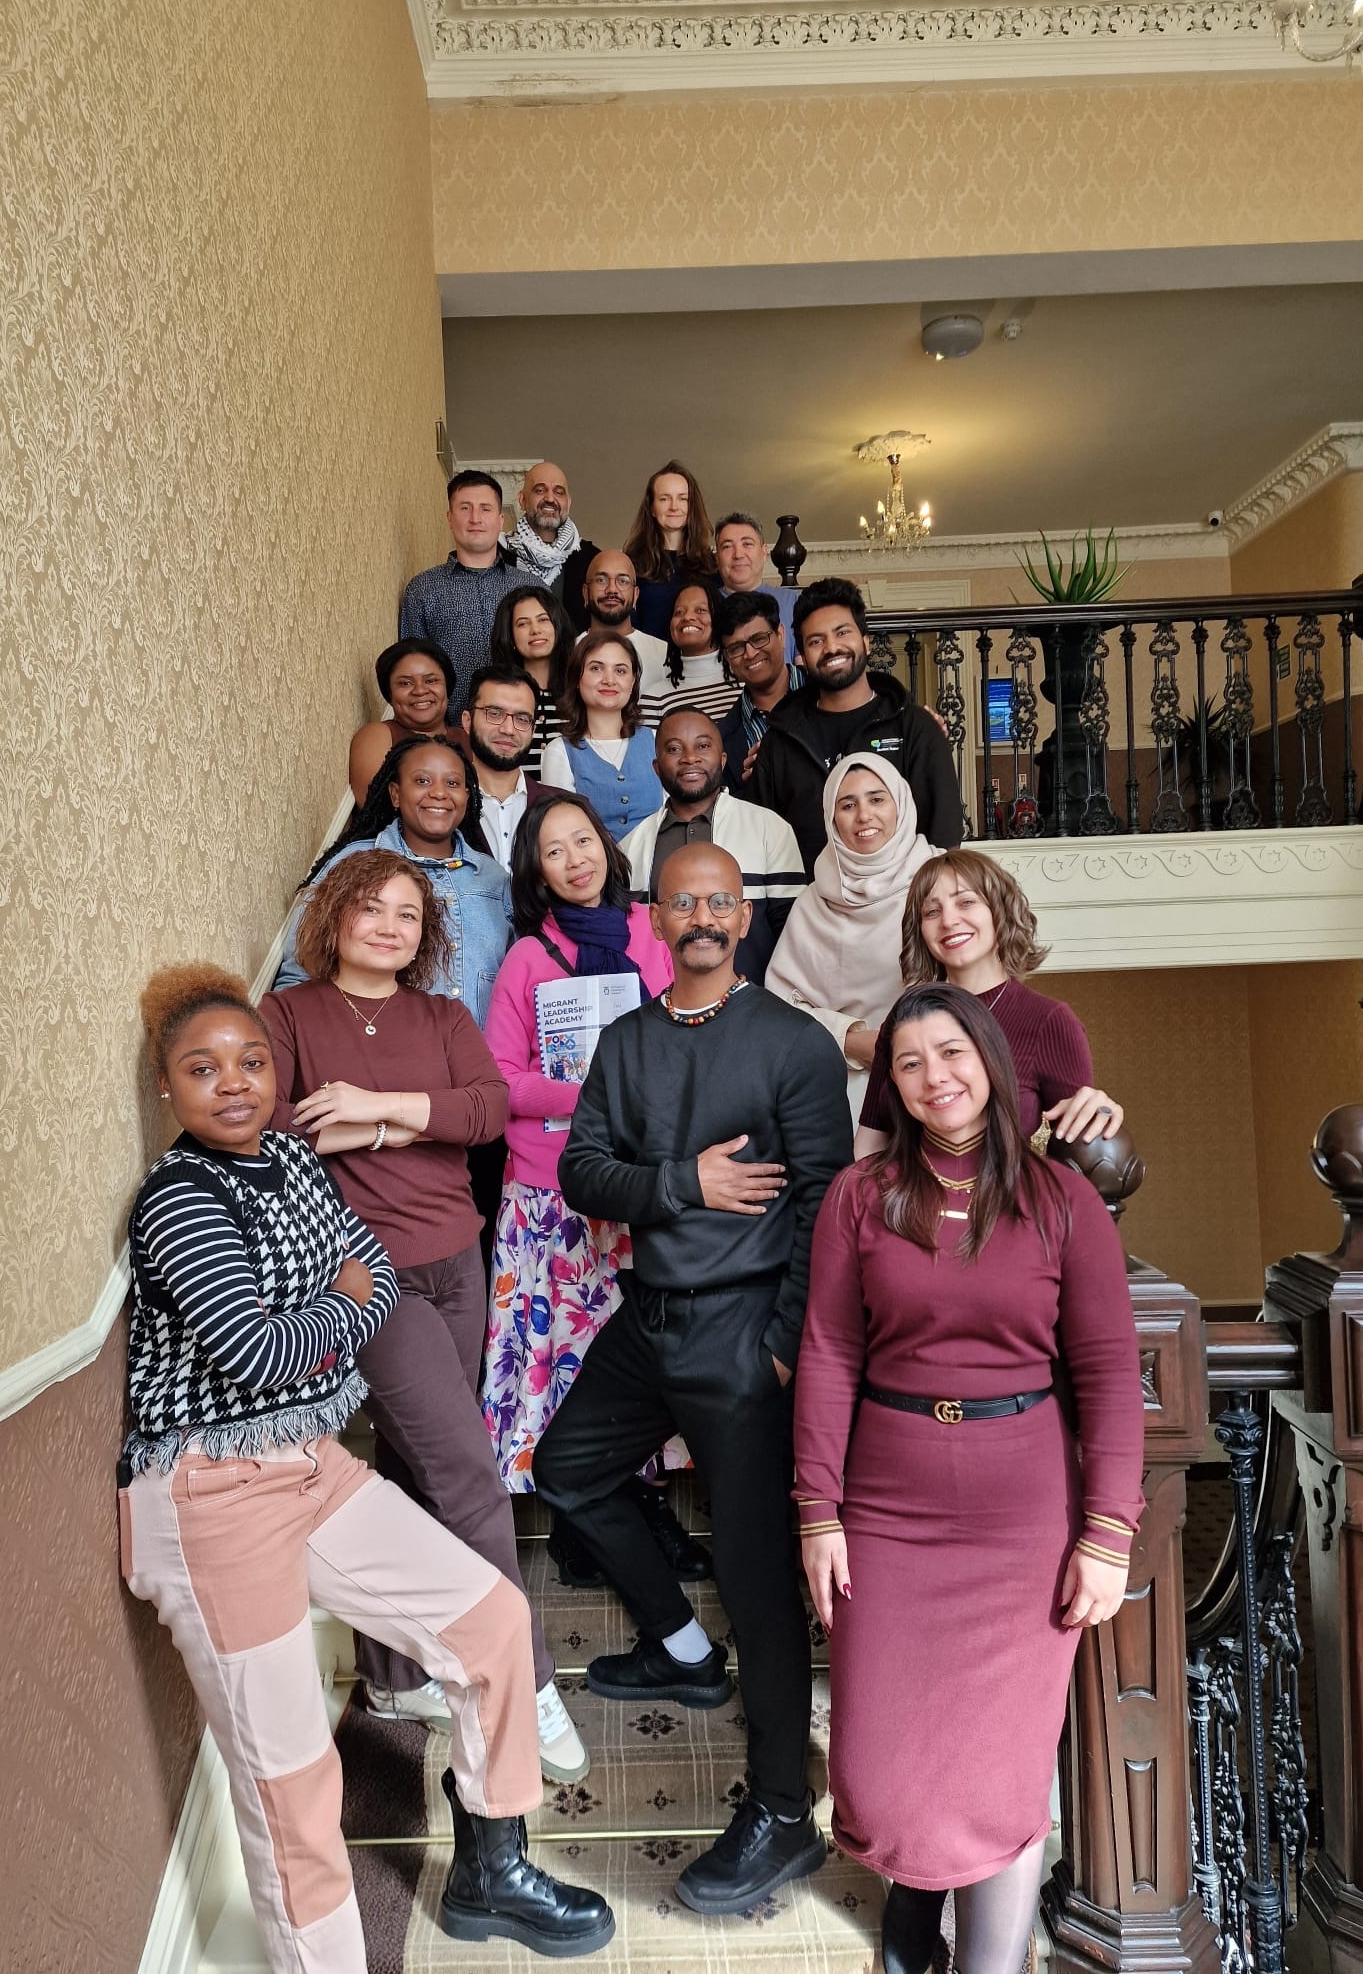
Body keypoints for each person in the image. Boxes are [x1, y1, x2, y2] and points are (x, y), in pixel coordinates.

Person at [121, 964, 613, 1967]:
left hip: (307, 1463)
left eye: (252, 1059)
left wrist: (330, 1309)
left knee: (491, 1621)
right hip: (213, 1497)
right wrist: (338, 1308)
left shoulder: (293, 1161)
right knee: (294, 1784)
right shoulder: (178, 1199)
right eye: (202, 1066)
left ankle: (491, 1863)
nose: (235, 1081)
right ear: (167, 1088)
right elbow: (258, 1350)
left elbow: (377, 1272)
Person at [794, 983, 1144, 1974]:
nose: (934, 1076)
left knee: (1001, 1775)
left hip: (1021, 1516)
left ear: (989, 1058)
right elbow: (826, 1353)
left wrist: (1108, 1528)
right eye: (908, 1063)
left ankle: (989, 1961)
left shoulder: (1061, 1199)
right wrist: (818, 1512)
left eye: (950, 1052)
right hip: (889, 1508)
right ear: (892, 1086)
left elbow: (1111, 1374)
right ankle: (917, 1925)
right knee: (879, 1768)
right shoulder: (859, 1197)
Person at [533, 843, 852, 1916]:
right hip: (649, 1319)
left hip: (743, 1336)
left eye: (723, 899)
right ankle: (678, 1643)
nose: (706, 915)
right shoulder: (625, 1041)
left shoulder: (796, 1045)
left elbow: (826, 1204)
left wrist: (781, 1335)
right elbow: (583, 1171)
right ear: (655, 918)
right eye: (686, 900)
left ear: (741, 917)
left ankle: (781, 1809)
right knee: (567, 1467)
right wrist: (685, 1179)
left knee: (761, 1576)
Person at [261, 852, 589, 1784]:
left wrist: (376, 1112)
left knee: (408, 1465)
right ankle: (521, 1681)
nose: (391, 925)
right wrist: (403, 1124)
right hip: (370, 1279)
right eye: (371, 908)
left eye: (409, 913)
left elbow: (486, 1110)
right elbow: (272, 1124)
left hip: (458, 1260)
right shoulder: (289, 1015)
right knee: (469, 1473)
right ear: (332, 917)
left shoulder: (443, 1014)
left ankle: (394, 1674)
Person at [478, 797, 703, 1586]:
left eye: (583, 840)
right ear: (533, 871)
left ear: (607, 848)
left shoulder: (653, 932)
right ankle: (579, 1519)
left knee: (631, 1366)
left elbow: (691, 1034)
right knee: (564, 1365)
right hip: (550, 1198)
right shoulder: (526, 958)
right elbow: (499, 1081)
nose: (574, 858)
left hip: (641, 1185)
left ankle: (641, 1513)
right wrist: (596, 1091)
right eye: (552, 849)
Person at [855, 849, 1125, 1156]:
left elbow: (1080, 1145)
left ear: (999, 910)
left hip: (1011, 1202)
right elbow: (870, 1144)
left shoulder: (1049, 1019)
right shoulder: (903, 1020)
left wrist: (1101, 1112)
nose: (949, 921)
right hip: (910, 1200)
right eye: (932, 912)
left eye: (966, 902)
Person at [277, 735, 512, 1029]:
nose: (439, 793)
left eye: (452, 783)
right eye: (422, 781)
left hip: (482, 1066)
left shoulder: (495, 879)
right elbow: (300, 971)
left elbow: (519, 984)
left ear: (468, 795)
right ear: (396, 794)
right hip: (377, 1063)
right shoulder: (352, 863)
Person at [747, 576, 966, 873]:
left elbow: (944, 838)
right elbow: (763, 844)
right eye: (816, 641)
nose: (831, 647)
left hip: (904, 906)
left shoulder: (914, 727)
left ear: (865, 641)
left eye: (842, 633)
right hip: (811, 910)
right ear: (802, 657)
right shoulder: (781, 740)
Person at [766, 754, 938, 1126]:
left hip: (939, 1075)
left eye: (877, 799)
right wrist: (849, 1040)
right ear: (831, 818)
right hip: (842, 1084)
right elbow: (782, 1006)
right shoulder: (813, 904)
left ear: (901, 805)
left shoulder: (941, 884)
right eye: (848, 804)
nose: (864, 815)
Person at [620, 708, 805, 983]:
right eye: (673, 749)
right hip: (663, 1013)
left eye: (703, 746)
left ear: (722, 759)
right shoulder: (630, 848)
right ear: (656, 768)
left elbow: (794, 935)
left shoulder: (770, 829)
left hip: (756, 1009)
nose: (690, 758)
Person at [399, 470, 546, 718]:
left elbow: (550, 663)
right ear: (449, 517)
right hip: (449, 734)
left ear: (501, 521)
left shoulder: (532, 589)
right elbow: (412, 671)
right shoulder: (422, 590)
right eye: (465, 508)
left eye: (485, 509)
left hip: (521, 729)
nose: (475, 518)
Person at [538, 632, 664, 839]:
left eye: (620, 671)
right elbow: (561, 831)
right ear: (577, 678)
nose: (609, 680)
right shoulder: (559, 751)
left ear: (633, 682)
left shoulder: (656, 740)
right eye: (596, 668)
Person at [459, 666, 566, 870]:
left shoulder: (562, 808)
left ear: (533, 729)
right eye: (494, 713)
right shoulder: (439, 805)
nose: (508, 729)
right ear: (467, 721)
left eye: (522, 719)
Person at [348, 640, 468, 808]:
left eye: (431, 680)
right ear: (389, 693)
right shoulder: (378, 736)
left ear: (447, 686)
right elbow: (377, 810)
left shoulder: (464, 738)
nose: (419, 690)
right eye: (405, 683)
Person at [716, 589, 806, 792]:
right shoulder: (724, 738)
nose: (750, 653)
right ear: (727, 658)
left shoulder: (823, 690)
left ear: (780, 634)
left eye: (758, 639)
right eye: (737, 647)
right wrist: (755, 788)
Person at [487, 585, 575, 777]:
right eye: (522, 624)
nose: (535, 630)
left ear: (558, 625)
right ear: (510, 637)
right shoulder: (497, 695)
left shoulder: (579, 691)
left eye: (543, 619)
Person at [624, 460, 717, 641]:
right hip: (648, 665)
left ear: (692, 507)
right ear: (652, 507)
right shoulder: (632, 565)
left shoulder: (712, 566)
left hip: (698, 665)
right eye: (665, 498)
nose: (674, 506)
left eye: (683, 498)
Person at [503, 461, 599, 626]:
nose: (549, 498)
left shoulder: (591, 559)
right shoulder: (500, 554)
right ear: (522, 499)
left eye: (558, 492)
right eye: (540, 490)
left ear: (568, 503)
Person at [638, 579, 742, 728]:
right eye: (679, 612)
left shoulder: (744, 684)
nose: (687, 617)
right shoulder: (654, 700)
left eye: (700, 610)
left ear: (718, 619)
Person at [573, 546, 668, 678]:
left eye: (623, 581)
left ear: (635, 595)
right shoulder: (568, 653)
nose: (612, 589)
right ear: (585, 592)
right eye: (601, 580)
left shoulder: (664, 655)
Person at [713, 513, 800, 655]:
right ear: (716, 558)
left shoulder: (793, 602)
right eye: (727, 546)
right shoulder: (704, 607)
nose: (738, 554)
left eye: (747, 544)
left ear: (764, 552)